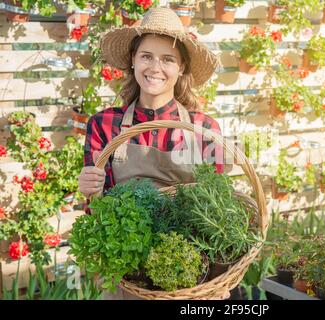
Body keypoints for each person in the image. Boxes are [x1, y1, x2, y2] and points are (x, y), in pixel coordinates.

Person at [78, 7, 230, 300]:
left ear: (181, 67)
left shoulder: (204, 129)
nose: (155, 67)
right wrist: (89, 191)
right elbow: (99, 212)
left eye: (168, 59)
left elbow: (219, 208)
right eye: (146, 56)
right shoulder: (104, 125)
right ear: (133, 61)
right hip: (127, 275)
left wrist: (219, 279)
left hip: (189, 274)